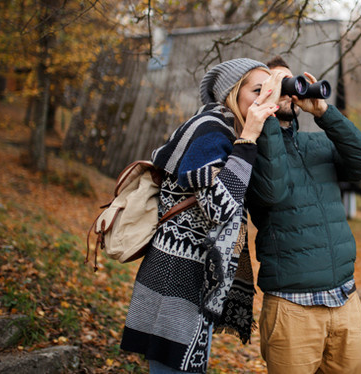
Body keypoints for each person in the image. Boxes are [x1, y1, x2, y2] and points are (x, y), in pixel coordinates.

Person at [120, 58, 283, 373]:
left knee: (185, 365)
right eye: (257, 91)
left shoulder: (228, 131)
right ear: (232, 93)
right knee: (174, 367)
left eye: (269, 93)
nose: (264, 99)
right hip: (176, 274)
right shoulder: (209, 130)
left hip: (194, 274)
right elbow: (218, 208)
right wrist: (247, 138)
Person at [246, 56, 361, 373]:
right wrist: (266, 113)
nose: (287, 91)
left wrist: (324, 113)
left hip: (345, 301)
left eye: (289, 82)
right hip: (292, 310)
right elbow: (273, 192)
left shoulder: (318, 142)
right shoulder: (246, 153)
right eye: (276, 84)